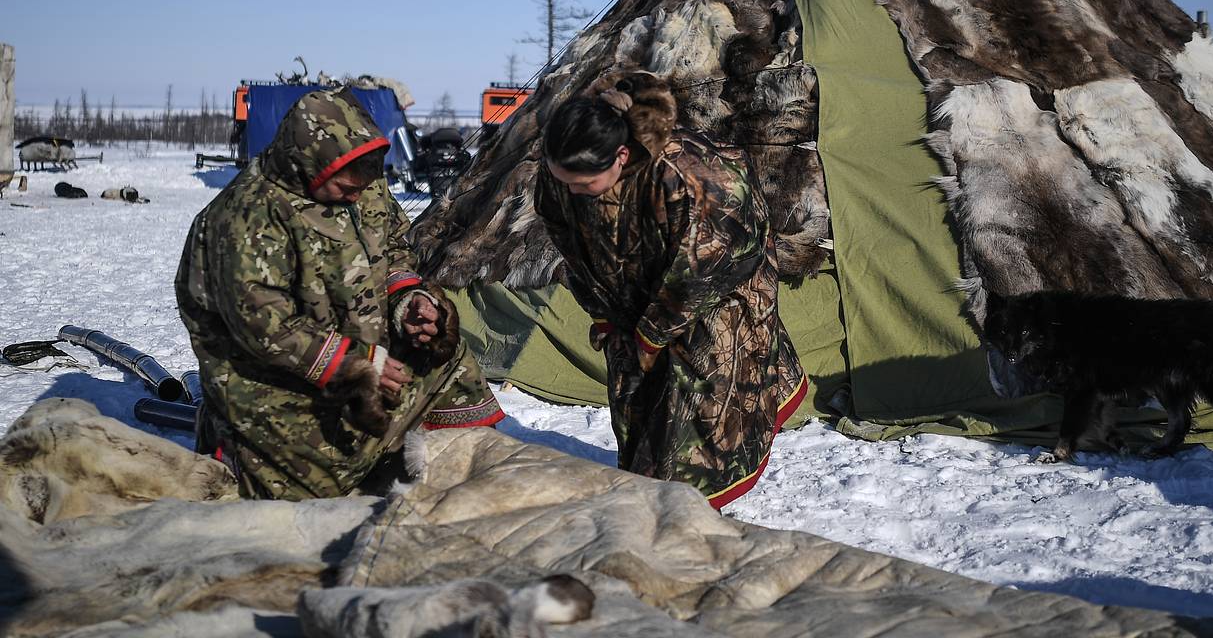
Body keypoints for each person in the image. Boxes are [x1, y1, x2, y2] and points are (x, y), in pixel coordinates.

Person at [176, 88, 503, 500]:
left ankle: (454, 477)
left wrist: (410, 301)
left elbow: (396, 250)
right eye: (342, 188)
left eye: (361, 186)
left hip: (361, 347)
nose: (354, 196)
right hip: (275, 377)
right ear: (307, 164)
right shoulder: (246, 216)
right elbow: (263, 327)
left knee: (446, 357)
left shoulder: (365, 188)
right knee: (314, 490)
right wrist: (353, 365)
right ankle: (240, 449)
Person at [534, 71, 808, 509]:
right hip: (632, 293)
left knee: (697, 422)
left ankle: (684, 514)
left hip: (713, 300)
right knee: (639, 410)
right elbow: (570, 242)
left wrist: (652, 333)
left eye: (582, 184)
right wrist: (604, 310)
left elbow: (706, 271)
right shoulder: (565, 167)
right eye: (560, 178)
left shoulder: (697, 177)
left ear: (621, 156)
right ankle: (653, 490)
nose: (570, 191)